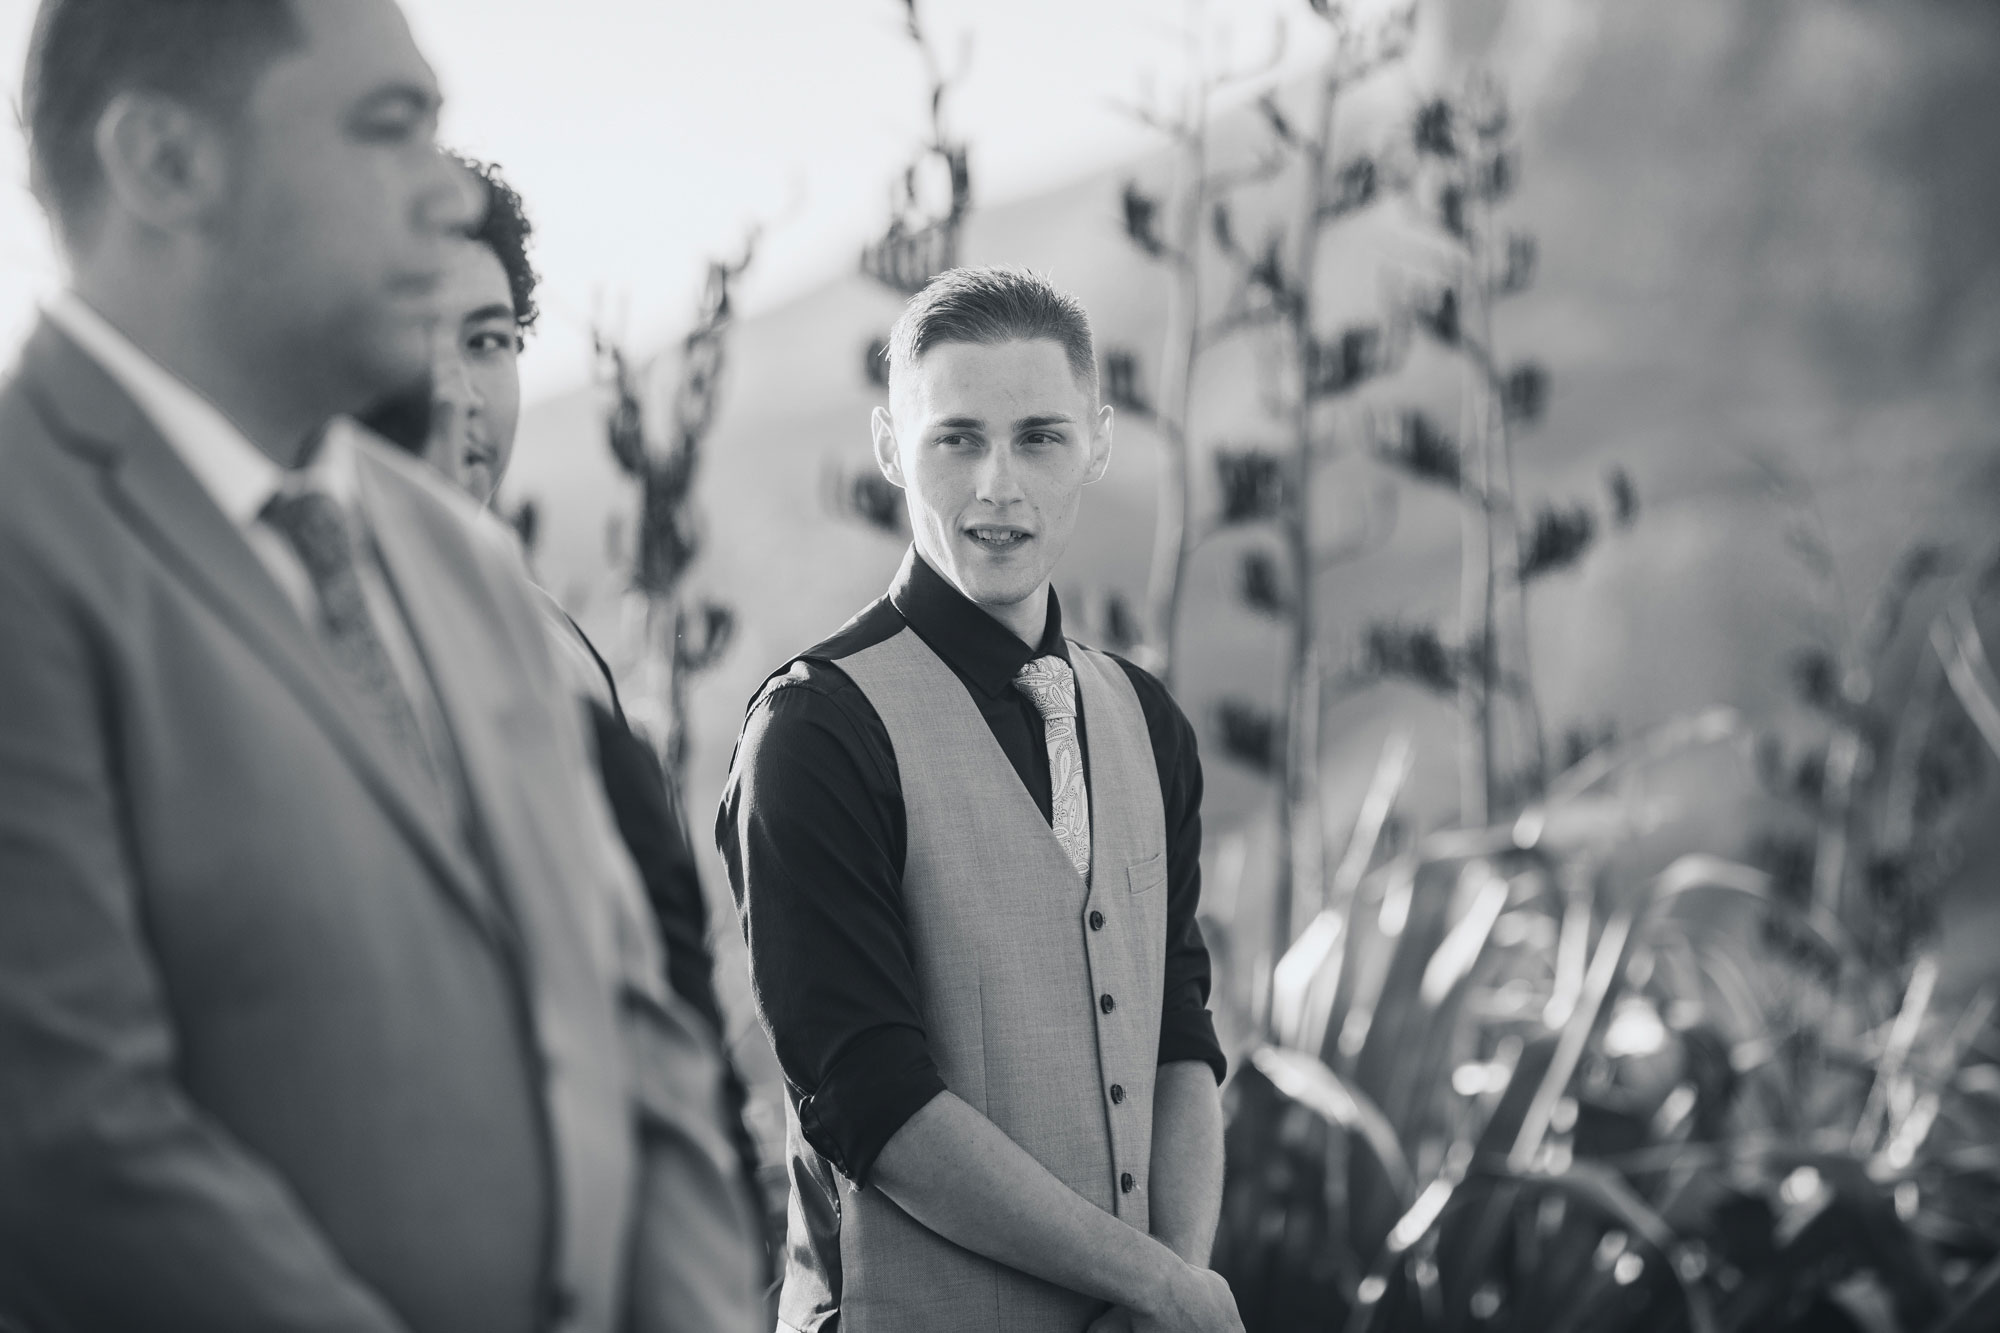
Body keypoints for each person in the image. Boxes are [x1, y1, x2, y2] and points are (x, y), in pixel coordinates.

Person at [0, 2, 763, 1330]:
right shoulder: (28, 539)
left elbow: (637, 1030)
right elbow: (76, 1135)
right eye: (387, 128)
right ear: (164, 164)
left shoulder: (454, 558)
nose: (440, 188)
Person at [718, 266, 1244, 1333]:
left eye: (1039, 437)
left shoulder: (1145, 720)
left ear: (1097, 440)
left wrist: (1171, 1290)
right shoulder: (813, 734)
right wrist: (1144, 1280)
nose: (997, 484)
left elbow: (1178, 1034)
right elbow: (869, 1100)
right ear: (887, 449)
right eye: (955, 438)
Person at [367, 151, 768, 1246]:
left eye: (488, 340)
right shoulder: (279, 646)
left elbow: (668, 1012)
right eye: (414, 333)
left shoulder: (554, 641)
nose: (458, 389)